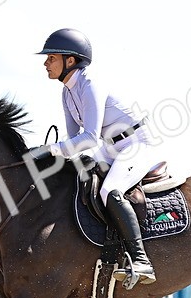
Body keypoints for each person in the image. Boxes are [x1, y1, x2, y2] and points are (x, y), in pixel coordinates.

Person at [31, 28, 161, 285]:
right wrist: (48, 156)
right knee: (79, 179)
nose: (46, 63)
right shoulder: (67, 92)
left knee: (109, 190)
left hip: (137, 143)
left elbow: (89, 138)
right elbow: (73, 140)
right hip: (111, 147)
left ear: (70, 60)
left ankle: (141, 261)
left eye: (51, 57)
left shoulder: (90, 84)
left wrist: (53, 149)